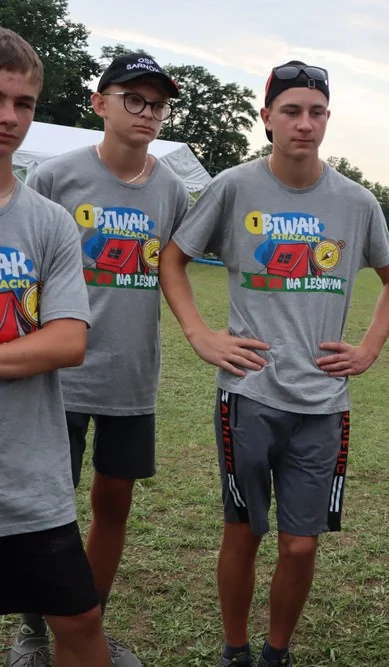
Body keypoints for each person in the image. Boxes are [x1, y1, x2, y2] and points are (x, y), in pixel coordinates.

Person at [159, 60, 389, 667]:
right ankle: (236, 650)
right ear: (266, 117)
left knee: (300, 546)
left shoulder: (356, 201)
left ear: (328, 119)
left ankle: (276, 653)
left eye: (316, 112)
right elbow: (173, 260)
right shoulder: (234, 186)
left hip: (323, 403)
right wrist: (201, 335)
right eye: (292, 111)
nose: (305, 123)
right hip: (248, 394)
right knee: (243, 531)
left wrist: (370, 348)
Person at [17, 52, 186, 666]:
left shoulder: (171, 190)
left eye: (157, 104)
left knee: (113, 502)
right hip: (53, 378)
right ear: (101, 103)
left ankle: (90, 624)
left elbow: (174, 271)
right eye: (132, 99)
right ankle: (36, 632)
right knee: (48, 510)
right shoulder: (56, 177)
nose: (146, 113)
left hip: (130, 375)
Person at [0, 27, 111, 667]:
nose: (10, 118)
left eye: (25, 104)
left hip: (34, 484)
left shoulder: (47, 222)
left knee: (80, 626)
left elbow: (69, 339)